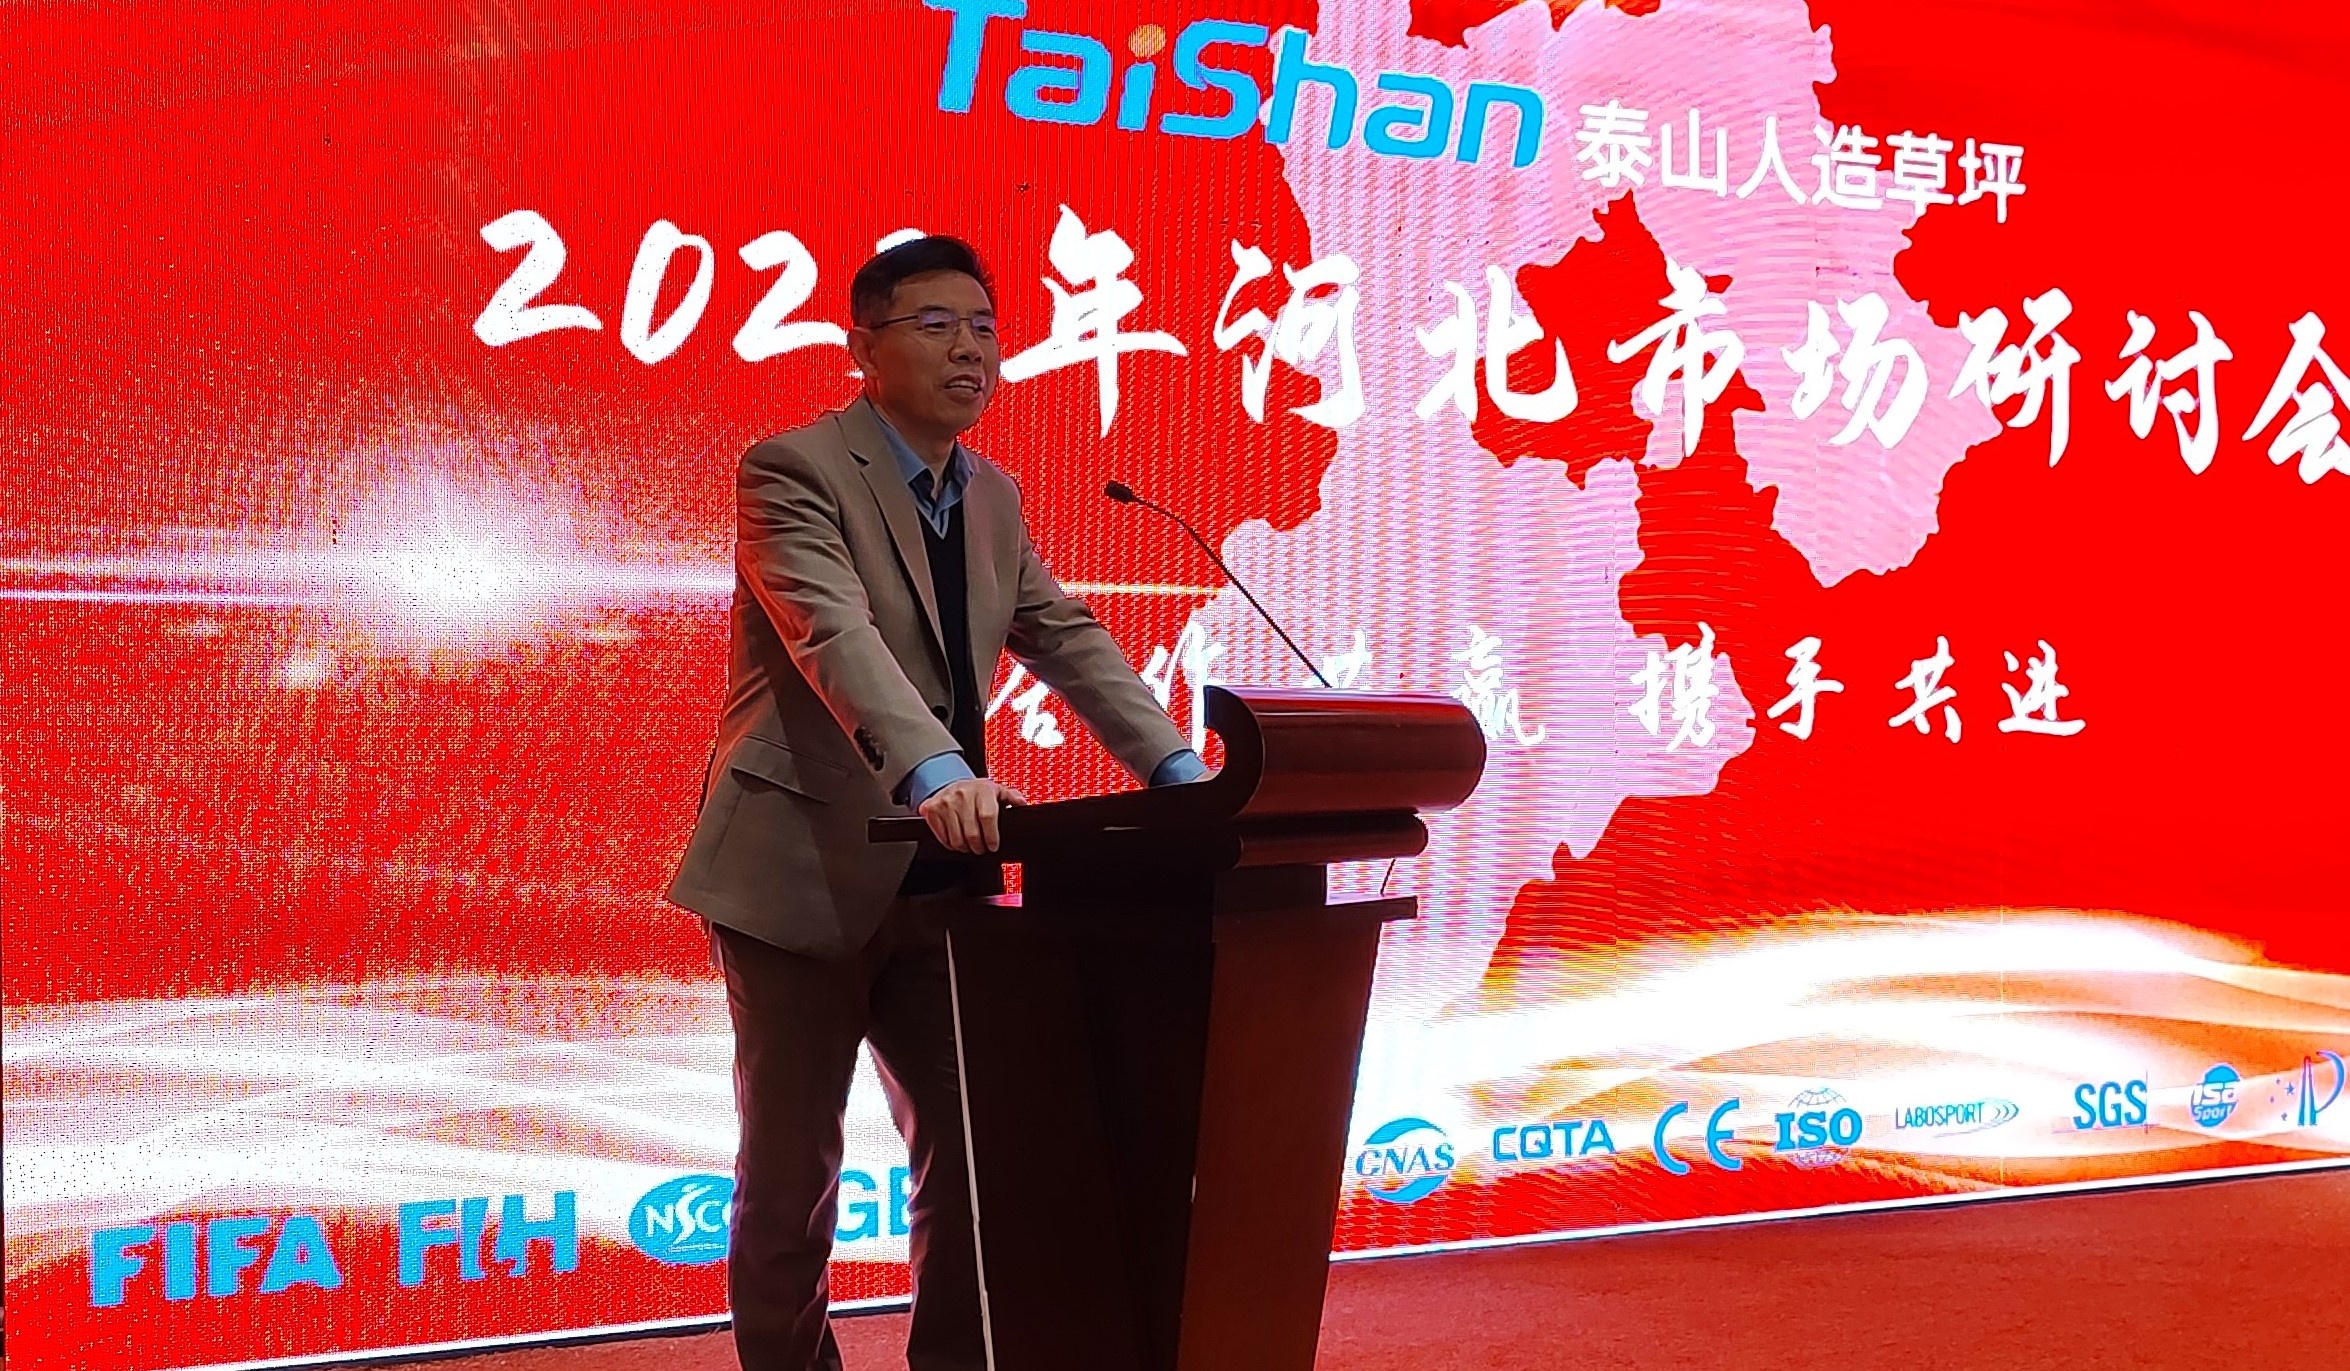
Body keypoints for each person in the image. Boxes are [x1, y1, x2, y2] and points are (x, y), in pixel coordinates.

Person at [665, 235, 1206, 1371]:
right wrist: (936, 771)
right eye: (937, 325)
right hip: (802, 871)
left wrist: (1177, 772)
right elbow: (834, 635)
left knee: (973, 1159)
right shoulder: (792, 470)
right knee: (792, 1178)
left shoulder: (992, 494)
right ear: (863, 348)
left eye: (986, 329)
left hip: (946, 882)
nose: (971, 350)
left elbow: (1065, 638)